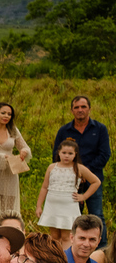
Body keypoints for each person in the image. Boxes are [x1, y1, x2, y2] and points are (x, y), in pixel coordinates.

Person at [53, 95, 109, 244]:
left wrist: (84, 173)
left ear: (90, 109)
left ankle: (101, 249)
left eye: (83, 107)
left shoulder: (100, 129)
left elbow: (104, 154)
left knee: (96, 215)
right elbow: (56, 155)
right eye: (76, 107)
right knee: (71, 217)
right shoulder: (64, 131)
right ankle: (74, 247)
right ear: (72, 110)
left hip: (92, 180)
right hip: (68, 183)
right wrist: (74, 174)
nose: (80, 110)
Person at [38, 139, 100, 248]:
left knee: (66, 237)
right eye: (64, 153)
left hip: (68, 206)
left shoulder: (79, 168)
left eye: (70, 153)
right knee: (54, 236)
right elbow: (44, 187)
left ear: (75, 154)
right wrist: (39, 206)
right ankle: (54, 258)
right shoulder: (52, 167)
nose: (67, 156)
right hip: (52, 206)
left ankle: (66, 260)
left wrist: (84, 196)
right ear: (59, 153)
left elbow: (96, 182)